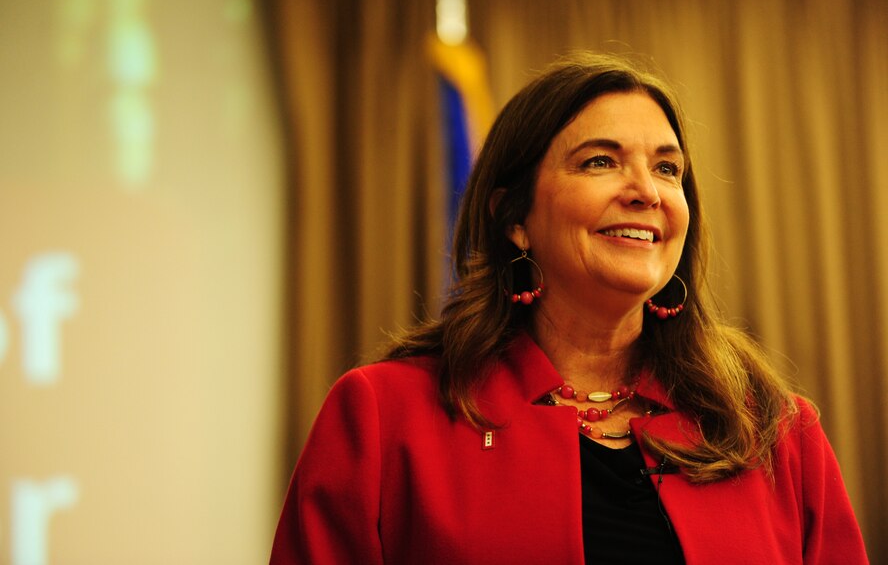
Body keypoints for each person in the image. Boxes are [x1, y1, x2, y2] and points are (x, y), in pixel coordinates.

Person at [270, 53, 868, 564]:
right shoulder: (383, 417)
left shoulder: (775, 432)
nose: (647, 191)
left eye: (667, 169)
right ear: (515, 218)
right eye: (600, 161)